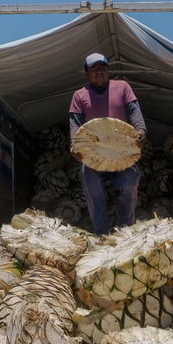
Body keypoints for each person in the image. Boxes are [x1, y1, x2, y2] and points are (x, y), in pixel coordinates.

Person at [68, 52, 147, 235]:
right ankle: (101, 232)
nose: (99, 72)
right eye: (94, 69)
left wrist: (141, 131)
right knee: (90, 180)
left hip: (121, 152)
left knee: (131, 179)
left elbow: (135, 112)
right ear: (87, 73)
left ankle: (124, 229)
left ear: (108, 70)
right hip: (94, 155)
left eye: (103, 68)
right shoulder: (80, 96)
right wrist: (74, 146)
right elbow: (75, 124)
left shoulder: (122, 87)